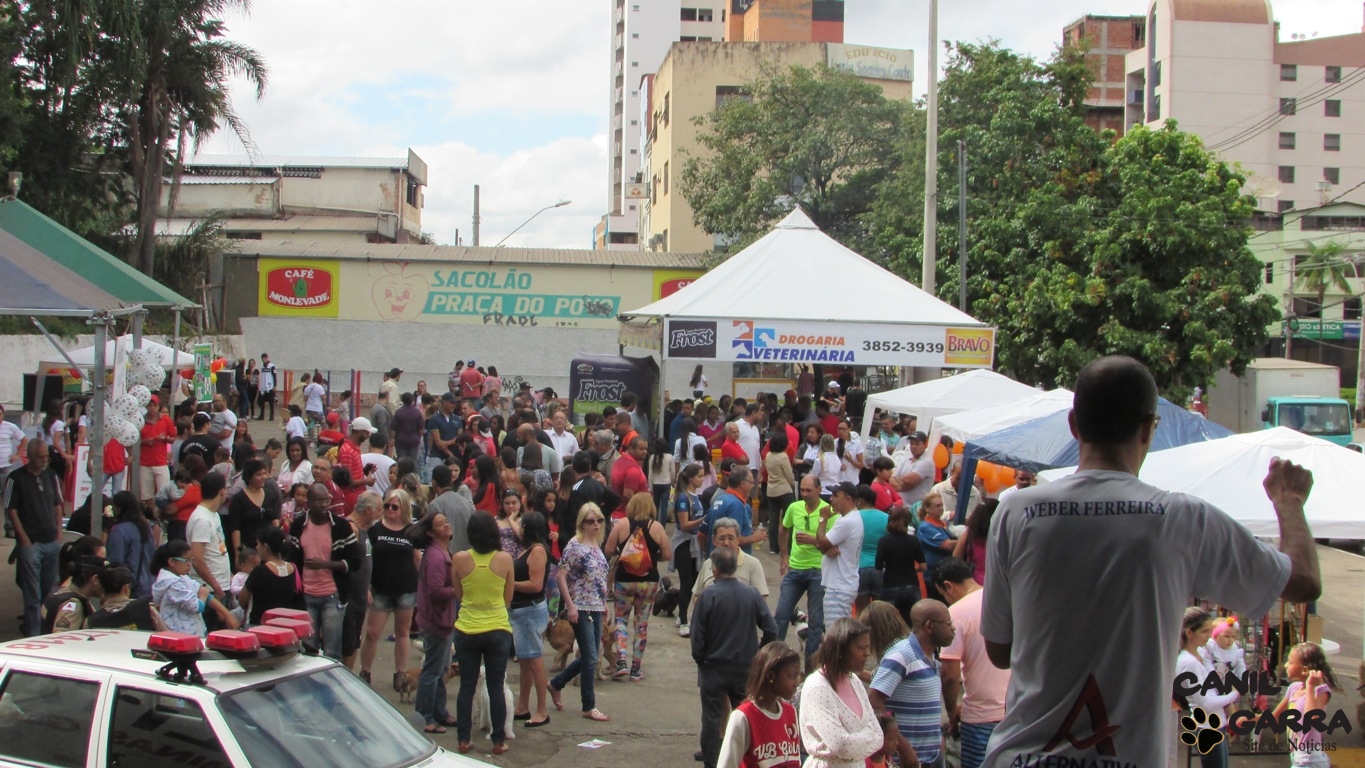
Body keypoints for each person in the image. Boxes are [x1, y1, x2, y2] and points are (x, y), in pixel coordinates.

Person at [980, 356, 1320, 768]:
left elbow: (1000, 650)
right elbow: (1303, 582)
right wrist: (1289, 501)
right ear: (1148, 429)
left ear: (1074, 424)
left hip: (1020, 758)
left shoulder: (1017, 512)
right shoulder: (1183, 520)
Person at [691, 546, 779, 768]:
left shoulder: (708, 595)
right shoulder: (751, 594)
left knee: (711, 719)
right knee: (747, 717)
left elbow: (697, 637)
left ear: (714, 569)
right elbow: (771, 629)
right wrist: (758, 655)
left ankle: (712, 763)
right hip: (745, 668)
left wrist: (703, 661)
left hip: (714, 667)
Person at [934, 558, 1011, 768]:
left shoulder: (956, 613)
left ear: (948, 586)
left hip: (980, 716)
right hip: (1014, 709)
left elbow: (950, 676)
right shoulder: (1004, 600)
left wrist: (952, 713)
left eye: (943, 595)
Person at [452, 511, 515, 755]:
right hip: (497, 627)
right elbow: (508, 598)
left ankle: (463, 738)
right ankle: (498, 740)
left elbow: (459, 595)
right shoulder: (505, 559)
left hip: (467, 627)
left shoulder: (459, 559)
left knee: (466, 686)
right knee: (496, 686)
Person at [868, 600, 956, 768]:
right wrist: (903, 747)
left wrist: (938, 741)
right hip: (907, 760)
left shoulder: (930, 656)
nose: (953, 628)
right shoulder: (901, 655)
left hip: (932, 756)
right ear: (929, 626)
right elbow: (873, 701)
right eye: (948, 623)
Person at [548, 502, 612, 722]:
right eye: (590, 521)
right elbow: (560, 576)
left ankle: (556, 683)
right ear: (581, 523)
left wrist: (604, 603)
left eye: (599, 520)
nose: (596, 525)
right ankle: (588, 705)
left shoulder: (597, 543)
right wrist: (570, 605)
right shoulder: (575, 545)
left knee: (590, 655)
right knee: (590, 656)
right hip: (580, 606)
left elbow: (598, 578)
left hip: (596, 605)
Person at [798, 618, 887, 768]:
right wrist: (866, 737)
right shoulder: (818, 686)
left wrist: (853, 742)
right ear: (840, 650)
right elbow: (840, 745)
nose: (867, 654)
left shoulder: (854, 681)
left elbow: (878, 736)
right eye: (861, 648)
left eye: (868, 647)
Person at [288, 482, 360, 659]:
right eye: (319, 501)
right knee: (308, 650)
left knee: (332, 651)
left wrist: (325, 564)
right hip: (307, 595)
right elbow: (292, 561)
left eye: (326, 500)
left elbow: (355, 562)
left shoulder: (341, 527)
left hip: (333, 595)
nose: (324, 505)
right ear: (308, 503)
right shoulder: (298, 526)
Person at [604, 493, 671, 681]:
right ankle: (635, 669)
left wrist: (624, 553)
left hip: (624, 579)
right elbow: (667, 555)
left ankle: (621, 661)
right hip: (648, 581)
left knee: (621, 620)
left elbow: (609, 549)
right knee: (641, 624)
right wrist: (651, 557)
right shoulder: (656, 527)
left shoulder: (622, 524)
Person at [359, 488, 419, 689]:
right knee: (372, 633)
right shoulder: (375, 530)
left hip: (406, 589)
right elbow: (366, 559)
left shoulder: (411, 531)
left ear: (404, 508)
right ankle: (365, 671)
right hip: (380, 589)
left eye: (395, 507)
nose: (390, 510)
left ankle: (400, 673)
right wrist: (366, 586)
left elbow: (417, 558)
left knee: (403, 632)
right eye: (387, 506)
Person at [715, 642, 802, 768]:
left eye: (799, 675)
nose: (797, 682)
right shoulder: (743, 717)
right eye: (792, 676)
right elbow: (727, 764)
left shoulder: (790, 712)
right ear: (771, 676)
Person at [411, 511, 459, 734]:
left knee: (441, 668)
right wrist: (458, 588)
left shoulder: (441, 552)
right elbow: (436, 591)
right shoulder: (437, 557)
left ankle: (439, 712)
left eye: (446, 521)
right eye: (440, 524)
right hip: (436, 620)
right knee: (432, 670)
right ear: (431, 532)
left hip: (442, 619)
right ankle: (425, 716)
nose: (446, 525)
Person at [1175, 607, 1239, 768]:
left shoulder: (1201, 654)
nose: (1209, 636)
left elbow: (1216, 683)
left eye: (1210, 631)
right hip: (1207, 726)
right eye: (1204, 631)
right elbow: (1206, 703)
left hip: (1216, 723)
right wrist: (1234, 694)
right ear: (1189, 632)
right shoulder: (1188, 662)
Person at [776, 475, 828, 665]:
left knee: (816, 621)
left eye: (809, 491)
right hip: (796, 568)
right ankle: (775, 659)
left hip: (818, 570)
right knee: (781, 615)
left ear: (819, 490)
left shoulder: (828, 512)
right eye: (802, 490)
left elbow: (832, 543)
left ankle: (810, 665)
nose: (804, 494)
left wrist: (813, 540)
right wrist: (784, 555)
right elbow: (784, 528)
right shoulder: (794, 507)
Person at [510, 510, 553, 728]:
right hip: (521, 610)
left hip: (529, 611)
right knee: (525, 661)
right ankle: (523, 705)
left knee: (534, 660)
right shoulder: (529, 548)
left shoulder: (537, 551)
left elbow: (536, 585)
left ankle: (542, 710)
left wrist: (509, 584)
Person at [1271, 641, 1340, 768]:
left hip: (1309, 761)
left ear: (1305, 670)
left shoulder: (1321, 691)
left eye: (1290, 662)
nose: (1285, 665)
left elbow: (1312, 718)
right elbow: (1273, 717)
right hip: (1298, 758)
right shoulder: (1294, 688)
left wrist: (1310, 687)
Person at [152, 540, 236, 636]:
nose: (189, 564)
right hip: (180, 634)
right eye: (186, 561)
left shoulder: (183, 577)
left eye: (191, 560)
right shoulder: (172, 584)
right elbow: (197, 606)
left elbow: (204, 593)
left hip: (195, 630)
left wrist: (227, 614)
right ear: (171, 561)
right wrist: (203, 596)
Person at [815, 482, 863, 624]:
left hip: (839, 587)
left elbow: (820, 542)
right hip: (841, 584)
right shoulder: (845, 518)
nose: (831, 499)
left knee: (835, 633)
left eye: (835, 496)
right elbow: (823, 545)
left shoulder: (847, 521)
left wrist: (823, 518)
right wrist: (826, 548)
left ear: (848, 499)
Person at [187, 472, 232, 616]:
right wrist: (216, 587)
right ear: (221, 491)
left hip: (221, 584)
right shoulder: (202, 520)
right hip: (211, 590)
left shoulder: (213, 514)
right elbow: (197, 559)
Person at [237, 527, 303, 626]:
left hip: (260, 626)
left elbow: (242, 600)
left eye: (258, 544)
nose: (256, 547)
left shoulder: (259, 571)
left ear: (265, 546)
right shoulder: (293, 568)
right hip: (286, 626)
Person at [670, 464, 707, 638]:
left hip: (694, 543)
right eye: (699, 476)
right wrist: (704, 519)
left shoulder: (696, 497)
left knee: (693, 581)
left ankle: (682, 611)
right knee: (686, 581)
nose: (702, 480)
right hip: (683, 542)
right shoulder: (683, 498)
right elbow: (684, 525)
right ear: (691, 478)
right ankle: (684, 620)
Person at [104, 490, 157, 599]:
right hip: (149, 585)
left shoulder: (119, 530)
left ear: (119, 508)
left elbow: (115, 561)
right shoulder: (145, 527)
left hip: (129, 588)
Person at [85, 565, 166, 630]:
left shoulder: (90, 622)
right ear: (126, 588)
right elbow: (165, 637)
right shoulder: (148, 610)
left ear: (102, 590)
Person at [42, 554, 107, 632]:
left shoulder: (60, 591)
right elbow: (63, 637)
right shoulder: (74, 605)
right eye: (105, 579)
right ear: (95, 579)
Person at [877, 506, 925, 610]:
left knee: (889, 617)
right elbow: (923, 566)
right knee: (914, 616)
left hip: (890, 584)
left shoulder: (883, 541)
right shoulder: (913, 540)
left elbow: (878, 568)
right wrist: (914, 569)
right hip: (911, 583)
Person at [227, 459, 279, 553]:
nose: (263, 477)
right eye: (258, 475)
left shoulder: (270, 495)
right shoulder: (239, 499)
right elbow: (235, 529)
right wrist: (238, 553)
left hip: (267, 549)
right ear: (249, 477)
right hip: (248, 549)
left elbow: (274, 519)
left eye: (264, 473)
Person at [915, 493, 956, 601]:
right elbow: (947, 545)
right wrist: (965, 539)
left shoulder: (944, 523)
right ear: (927, 508)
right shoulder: (925, 527)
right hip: (933, 577)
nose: (941, 508)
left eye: (942, 505)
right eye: (937, 506)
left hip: (946, 574)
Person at [952, 500, 998, 586]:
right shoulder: (1002, 532)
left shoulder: (970, 533)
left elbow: (956, 557)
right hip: (999, 579)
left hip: (977, 581)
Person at [764, 433, 796, 552]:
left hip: (771, 490)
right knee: (789, 518)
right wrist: (793, 484)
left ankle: (773, 547)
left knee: (773, 519)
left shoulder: (768, 455)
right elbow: (789, 474)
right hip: (784, 489)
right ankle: (789, 546)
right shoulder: (783, 456)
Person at [891, 431, 934, 508]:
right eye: (911, 443)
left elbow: (909, 480)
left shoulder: (927, 462)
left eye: (917, 444)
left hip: (915, 509)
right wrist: (901, 484)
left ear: (925, 444)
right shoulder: (907, 458)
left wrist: (897, 480)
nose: (913, 446)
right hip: (900, 506)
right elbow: (891, 478)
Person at [257, 353, 277, 421]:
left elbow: (274, 376)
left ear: (267, 358)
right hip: (263, 387)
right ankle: (262, 415)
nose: (263, 360)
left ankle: (272, 415)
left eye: (264, 358)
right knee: (262, 402)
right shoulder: (262, 366)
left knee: (271, 402)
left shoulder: (272, 366)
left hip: (270, 386)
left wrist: (275, 385)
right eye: (262, 358)